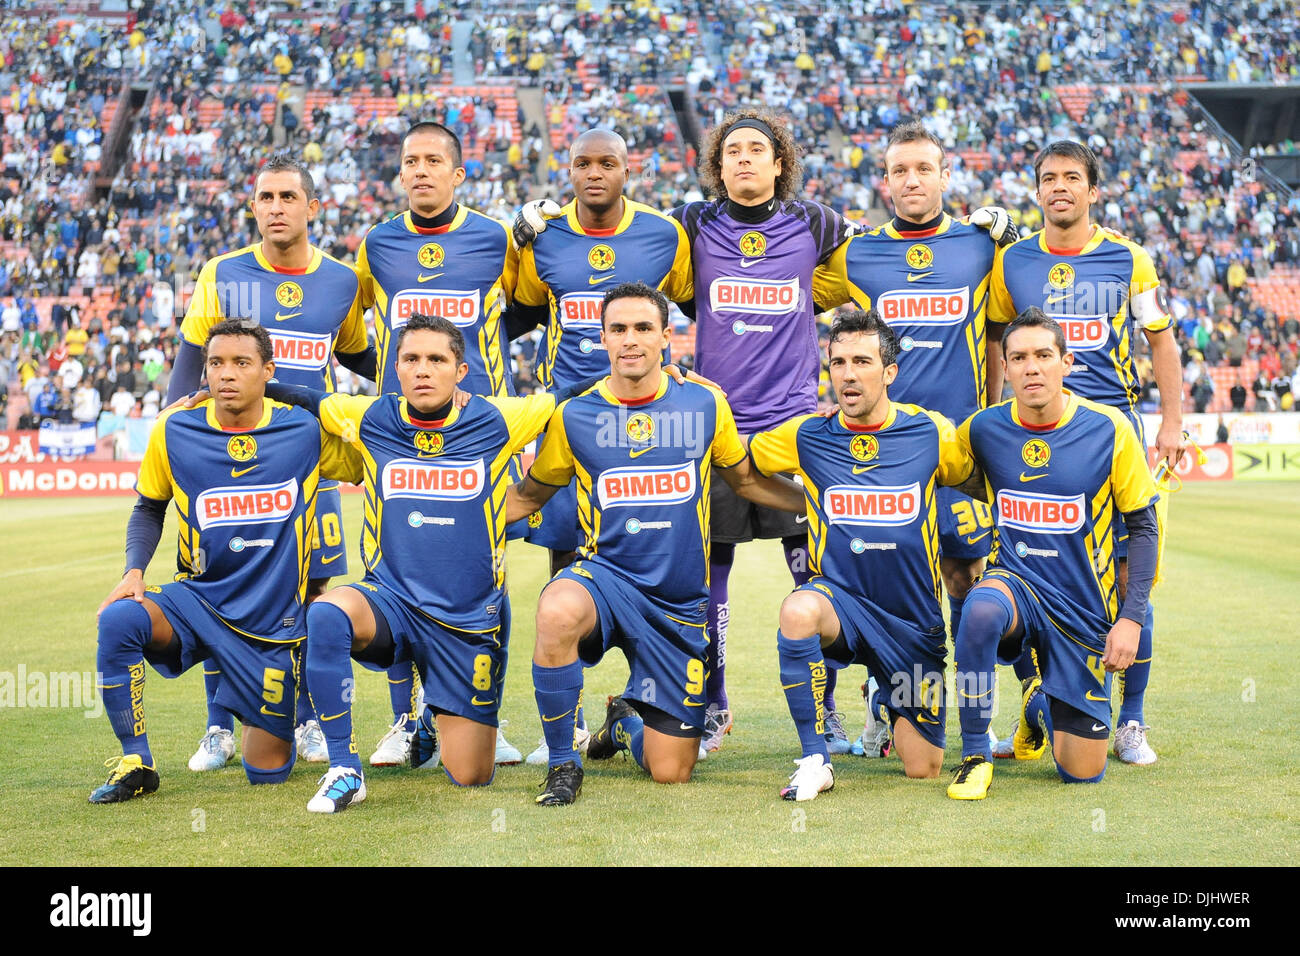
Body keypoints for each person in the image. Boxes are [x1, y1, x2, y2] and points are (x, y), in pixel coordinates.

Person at [505, 283, 805, 805]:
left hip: (678, 604)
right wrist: (454, 517)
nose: (631, 340)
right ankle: (561, 764)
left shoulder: (706, 402)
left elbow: (747, 482)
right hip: (607, 582)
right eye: (618, 329)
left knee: (671, 770)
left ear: (668, 336)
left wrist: (817, 501)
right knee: (555, 607)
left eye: (644, 328)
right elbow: (528, 496)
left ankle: (622, 724)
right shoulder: (575, 416)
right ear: (602, 338)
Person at [89, 321, 357, 803]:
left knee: (266, 772)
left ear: (267, 371)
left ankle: (281, 718)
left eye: (241, 363)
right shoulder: (174, 428)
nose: (225, 374)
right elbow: (149, 507)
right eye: (215, 363)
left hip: (272, 623)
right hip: (200, 603)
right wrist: (134, 572)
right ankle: (137, 762)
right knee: (120, 619)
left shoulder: (304, 429)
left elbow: (380, 449)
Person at [168, 155, 377, 773]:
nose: (276, 206)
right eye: (266, 197)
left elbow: (361, 356)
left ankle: (310, 718)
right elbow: (189, 358)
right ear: (254, 207)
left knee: (314, 590)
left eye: (289, 196)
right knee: (216, 586)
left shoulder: (343, 282)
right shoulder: (222, 272)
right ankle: (217, 727)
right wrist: (174, 422)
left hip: (308, 464)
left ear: (313, 207)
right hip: (228, 462)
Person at [815, 120, 1012, 758]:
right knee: (880, 582)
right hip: (880, 451)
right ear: (886, 180)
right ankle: (888, 705)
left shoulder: (983, 247)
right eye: (900, 170)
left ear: (945, 176)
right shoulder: (859, 253)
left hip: (956, 452)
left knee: (961, 575)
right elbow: (785, 284)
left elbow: (1031, 293)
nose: (912, 180)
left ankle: (975, 713)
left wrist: (1012, 230)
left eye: (924, 169)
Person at [987, 140, 1183, 765]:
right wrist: (995, 420)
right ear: (1037, 192)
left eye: (1073, 178)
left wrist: (1172, 422)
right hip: (1030, 435)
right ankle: (1042, 694)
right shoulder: (1012, 262)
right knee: (1021, 570)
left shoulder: (1131, 259)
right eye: (1048, 179)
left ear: (1093, 191)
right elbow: (997, 342)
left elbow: (1161, 342)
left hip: (1109, 432)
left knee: (1131, 580)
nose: (1060, 187)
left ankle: (1131, 720)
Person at [508, 127, 694, 765]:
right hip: (573, 421)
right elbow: (515, 314)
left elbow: (698, 307)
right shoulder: (546, 236)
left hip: (649, 414)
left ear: (627, 169)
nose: (594, 174)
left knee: (657, 542)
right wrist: (516, 236)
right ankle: (571, 719)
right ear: (569, 168)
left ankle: (652, 694)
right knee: (564, 567)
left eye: (607, 162)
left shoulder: (665, 235)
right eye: (583, 163)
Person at [749, 309, 979, 799]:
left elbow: (971, 475)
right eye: (837, 363)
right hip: (842, 604)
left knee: (924, 767)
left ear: (889, 372)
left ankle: (882, 700)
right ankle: (815, 757)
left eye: (862, 361)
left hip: (912, 624)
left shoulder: (930, 433)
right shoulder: (808, 434)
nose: (848, 374)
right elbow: (741, 463)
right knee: (798, 609)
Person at [354, 121, 524, 767]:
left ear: (458, 174)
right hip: (402, 436)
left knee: (483, 574)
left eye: (434, 160)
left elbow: (529, 307)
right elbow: (353, 334)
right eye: (409, 161)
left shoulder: (494, 237)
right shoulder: (377, 243)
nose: (420, 170)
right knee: (395, 570)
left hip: (479, 434)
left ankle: (483, 715)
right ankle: (406, 721)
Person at [947, 309, 1160, 799]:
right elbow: (927, 456)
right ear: (1005, 366)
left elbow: (1142, 529)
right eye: (1018, 357)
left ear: (1067, 363)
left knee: (1081, 771)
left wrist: (1129, 620)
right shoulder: (983, 428)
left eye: (1044, 355)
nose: (1031, 368)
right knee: (978, 608)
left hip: (1082, 608)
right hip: (1016, 586)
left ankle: (1036, 707)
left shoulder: (1109, 430)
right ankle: (976, 754)